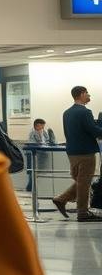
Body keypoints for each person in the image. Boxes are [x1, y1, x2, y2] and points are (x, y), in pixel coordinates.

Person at [54, 86, 102, 222]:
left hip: (72, 151)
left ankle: (61, 199)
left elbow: (67, 132)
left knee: (82, 181)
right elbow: (93, 130)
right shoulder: (85, 112)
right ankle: (82, 212)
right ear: (81, 94)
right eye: (87, 93)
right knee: (84, 182)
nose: (89, 95)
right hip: (86, 152)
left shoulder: (67, 113)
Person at [25, 118, 55, 192]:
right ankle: (30, 188)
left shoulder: (44, 132)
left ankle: (35, 188)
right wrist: (41, 142)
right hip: (32, 155)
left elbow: (48, 141)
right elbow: (33, 144)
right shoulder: (32, 133)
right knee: (32, 172)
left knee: (39, 171)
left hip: (41, 154)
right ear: (37, 126)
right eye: (41, 126)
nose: (42, 128)